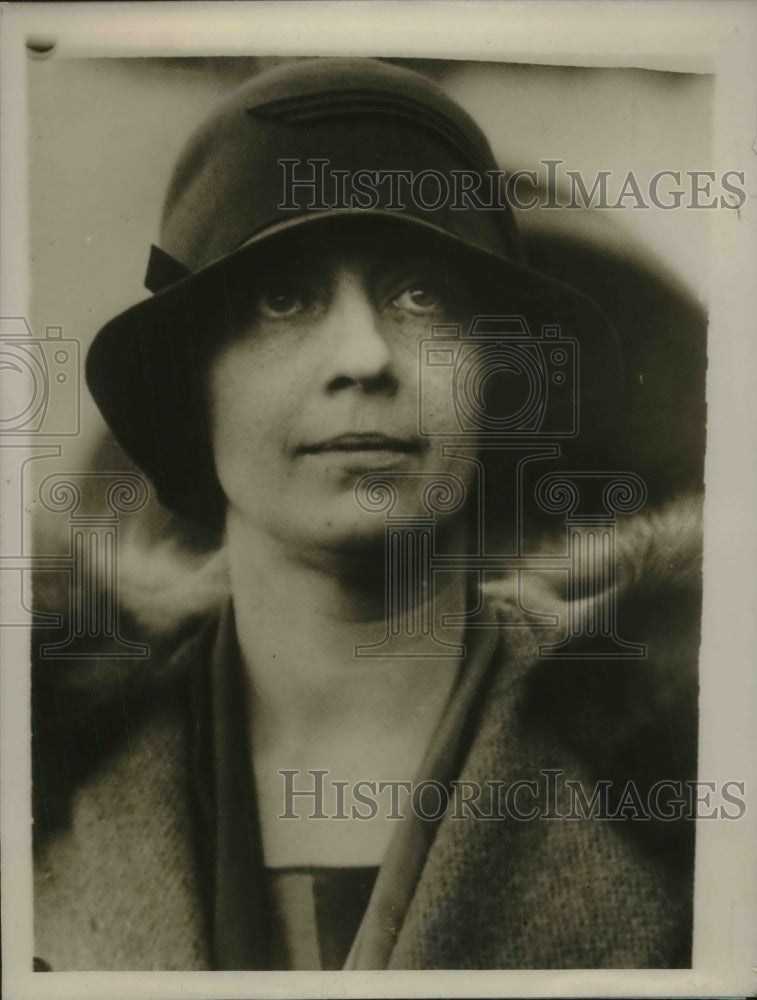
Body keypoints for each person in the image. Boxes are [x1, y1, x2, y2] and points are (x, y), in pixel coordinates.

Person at [32, 57, 701, 971]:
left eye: (419, 295)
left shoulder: (681, 779)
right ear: (193, 385)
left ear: (497, 375)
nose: (363, 355)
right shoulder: (43, 774)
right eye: (282, 297)